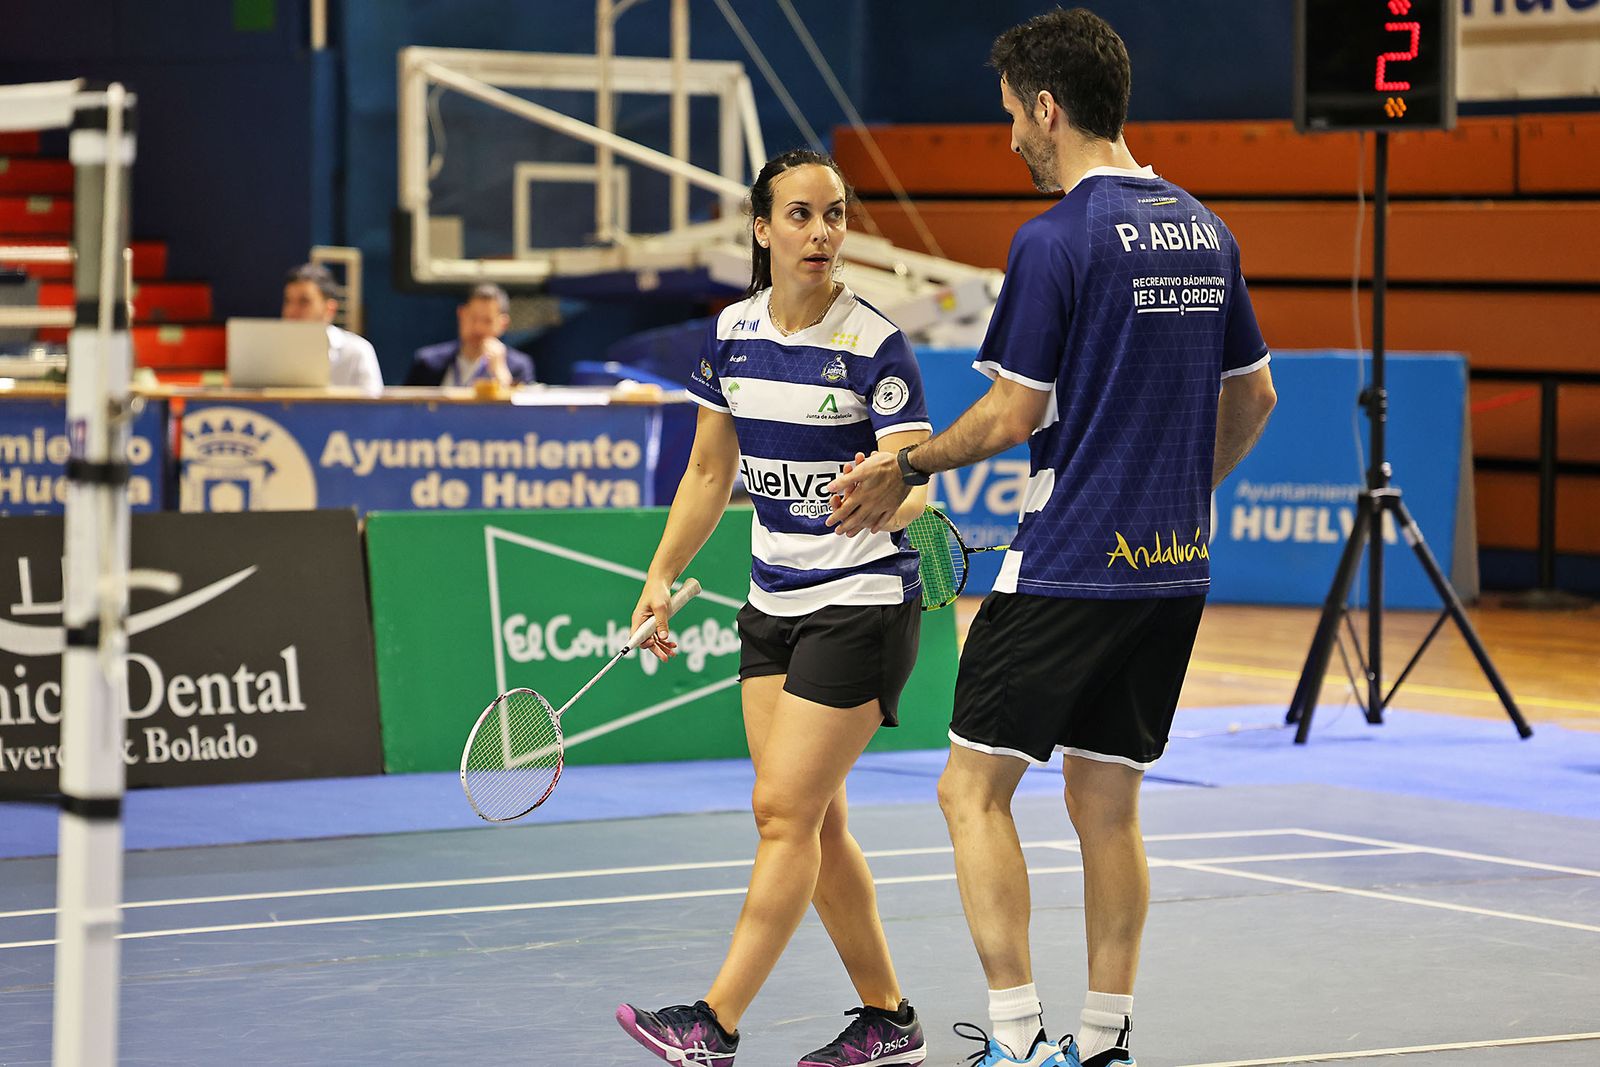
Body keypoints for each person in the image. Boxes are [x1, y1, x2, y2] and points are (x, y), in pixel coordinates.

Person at [827, 10, 1278, 1067]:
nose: (1010, 142)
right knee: (1106, 802)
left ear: (1047, 107)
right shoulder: (1206, 230)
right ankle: (1104, 1041)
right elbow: (1255, 397)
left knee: (968, 787)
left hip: (1068, 561)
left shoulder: (1055, 239)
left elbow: (1010, 416)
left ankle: (1020, 1039)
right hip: (1172, 570)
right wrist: (1167, 491)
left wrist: (909, 462)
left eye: (1010, 119)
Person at [614, 149, 934, 1067]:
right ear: (762, 228)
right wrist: (661, 575)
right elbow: (711, 470)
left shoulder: (874, 341)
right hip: (772, 600)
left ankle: (714, 1024)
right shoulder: (733, 331)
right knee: (819, 822)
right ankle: (890, 1019)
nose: (821, 233)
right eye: (799, 215)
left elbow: (914, 477)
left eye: (834, 215)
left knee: (781, 812)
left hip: (862, 603)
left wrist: (890, 494)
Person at [403, 283, 536, 387]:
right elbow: (404, 413)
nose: (478, 328)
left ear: (503, 324)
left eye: (487, 321)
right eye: (473, 318)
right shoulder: (427, 363)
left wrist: (500, 372)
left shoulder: (518, 367)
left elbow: (521, 418)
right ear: (461, 314)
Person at [280, 263, 383, 396]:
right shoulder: (268, 352)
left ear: (330, 309)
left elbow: (373, 409)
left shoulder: (358, 351)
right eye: (288, 301)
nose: (291, 311)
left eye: (304, 302)